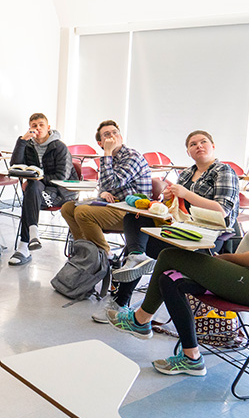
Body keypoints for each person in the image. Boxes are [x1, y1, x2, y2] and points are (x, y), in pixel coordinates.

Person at [107, 141, 249, 377]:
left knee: (169, 255)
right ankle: (191, 357)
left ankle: (141, 319)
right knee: (168, 279)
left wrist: (225, 259)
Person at [92, 130, 239, 323]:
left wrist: (186, 194)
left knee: (140, 245)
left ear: (213, 146)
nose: (198, 146)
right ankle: (136, 260)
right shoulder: (187, 173)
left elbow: (223, 211)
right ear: (188, 152)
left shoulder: (223, 171)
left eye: (203, 142)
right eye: (193, 144)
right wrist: (167, 199)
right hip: (180, 231)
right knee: (135, 221)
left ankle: (122, 301)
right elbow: (175, 210)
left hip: (206, 241)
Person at [60, 120, 151, 256]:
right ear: (100, 143)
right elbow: (103, 185)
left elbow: (112, 184)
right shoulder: (110, 158)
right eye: (107, 134)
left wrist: (107, 152)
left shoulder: (132, 156)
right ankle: (86, 252)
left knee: (82, 212)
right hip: (113, 206)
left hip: (132, 213)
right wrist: (102, 193)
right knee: (67, 208)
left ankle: (105, 256)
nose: (112, 136)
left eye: (115, 133)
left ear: (120, 137)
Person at [8, 113, 78, 266]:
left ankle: (24, 246)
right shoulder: (29, 145)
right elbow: (15, 166)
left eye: (41, 125)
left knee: (30, 195)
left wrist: (38, 177)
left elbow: (61, 177)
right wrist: (22, 141)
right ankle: (33, 232)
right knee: (32, 188)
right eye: (34, 125)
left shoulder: (59, 147)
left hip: (61, 192)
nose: (37, 128)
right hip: (39, 189)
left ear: (48, 128)